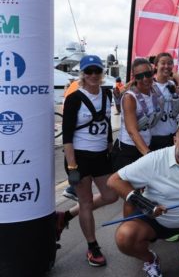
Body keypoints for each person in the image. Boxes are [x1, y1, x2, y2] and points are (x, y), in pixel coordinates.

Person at [108, 121, 179, 277]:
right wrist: (146, 205)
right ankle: (150, 259)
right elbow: (114, 180)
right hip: (154, 219)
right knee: (124, 237)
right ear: (175, 140)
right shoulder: (155, 159)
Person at [56, 55, 118, 267]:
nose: (93, 75)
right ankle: (92, 246)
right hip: (79, 157)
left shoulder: (107, 95)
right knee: (86, 202)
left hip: (100, 156)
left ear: (102, 74)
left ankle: (66, 216)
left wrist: (110, 146)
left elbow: (107, 123)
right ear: (82, 74)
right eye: (88, 72)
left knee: (111, 195)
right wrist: (72, 166)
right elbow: (67, 136)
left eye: (97, 71)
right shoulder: (74, 98)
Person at [112, 58, 163, 171]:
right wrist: (148, 154)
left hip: (146, 144)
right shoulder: (130, 98)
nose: (145, 79)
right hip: (129, 150)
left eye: (148, 74)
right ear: (134, 78)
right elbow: (132, 131)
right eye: (139, 76)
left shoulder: (154, 91)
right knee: (129, 188)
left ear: (153, 73)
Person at [150, 52, 179, 151]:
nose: (166, 66)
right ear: (156, 66)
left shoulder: (172, 85)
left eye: (170, 63)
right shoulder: (149, 85)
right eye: (163, 63)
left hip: (172, 135)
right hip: (155, 136)